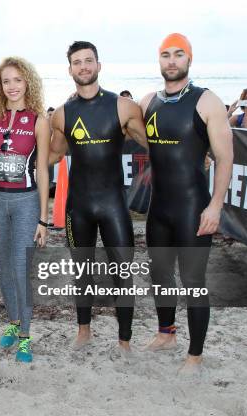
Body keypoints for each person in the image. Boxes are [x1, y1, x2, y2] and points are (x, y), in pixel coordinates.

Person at [139, 33, 233, 372]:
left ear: (189, 59)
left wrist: (216, 206)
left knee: (194, 281)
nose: (172, 60)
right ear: (159, 60)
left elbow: (224, 157)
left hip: (194, 207)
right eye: (166, 55)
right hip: (159, 208)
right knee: (160, 273)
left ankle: (194, 355)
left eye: (179, 54)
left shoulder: (207, 101)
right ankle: (166, 333)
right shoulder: (148, 101)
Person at [48, 41, 148, 351]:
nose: (83, 67)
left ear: (99, 65)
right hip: (78, 206)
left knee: (122, 271)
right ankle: (83, 331)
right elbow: (51, 155)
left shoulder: (123, 107)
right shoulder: (63, 114)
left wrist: (196, 152)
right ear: (70, 70)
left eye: (88, 60)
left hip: (113, 204)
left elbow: (157, 145)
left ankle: (125, 340)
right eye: (77, 62)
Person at [0, 57, 50, 362]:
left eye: (18, 80)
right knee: (4, 268)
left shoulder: (39, 121)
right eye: (7, 81)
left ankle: (25, 337)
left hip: (25, 202)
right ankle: (14, 322)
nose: (13, 86)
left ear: (27, 82)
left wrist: (44, 218)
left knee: (22, 269)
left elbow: (43, 170)